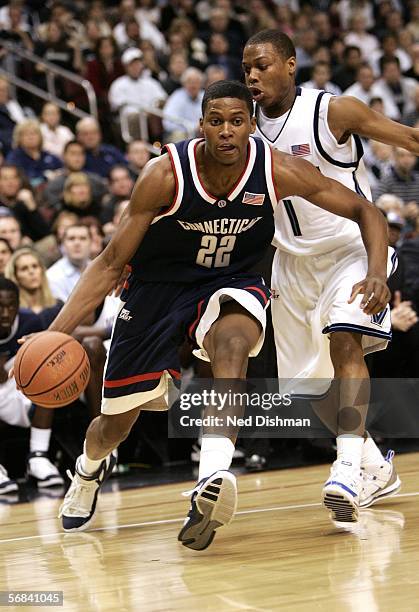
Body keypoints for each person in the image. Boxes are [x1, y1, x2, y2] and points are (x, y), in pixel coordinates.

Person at [17, 81, 390, 546]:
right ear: (202, 126)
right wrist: (51, 335)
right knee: (115, 423)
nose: (228, 131)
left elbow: (364, 210)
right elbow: (110, 261)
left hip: (231, 280)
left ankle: (211, 476)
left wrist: (376, 270)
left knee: (233, 345)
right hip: (157, 290)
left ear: (252, 126)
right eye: (217, 121)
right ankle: (87, 471)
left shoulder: (274, 168)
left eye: (238, 121)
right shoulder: (164, 173)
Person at [241, 29, 419, 522]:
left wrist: (379, 270)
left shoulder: (332, 111)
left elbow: (409, 139)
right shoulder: (244, 125)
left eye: (263, 65)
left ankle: (344, 470)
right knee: (312, 389)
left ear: (292, 65)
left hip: (352, 248)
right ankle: (373, 464)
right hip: (291, 263)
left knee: (345, 341)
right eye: (247, 69)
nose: (253, 76)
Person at [0, 277, 64, 492]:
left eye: (11, 306)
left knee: (48, 374)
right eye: (0, 307)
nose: (5, 313)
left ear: (19, 304)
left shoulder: (31, 322)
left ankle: (38, 456)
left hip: (17, 383)